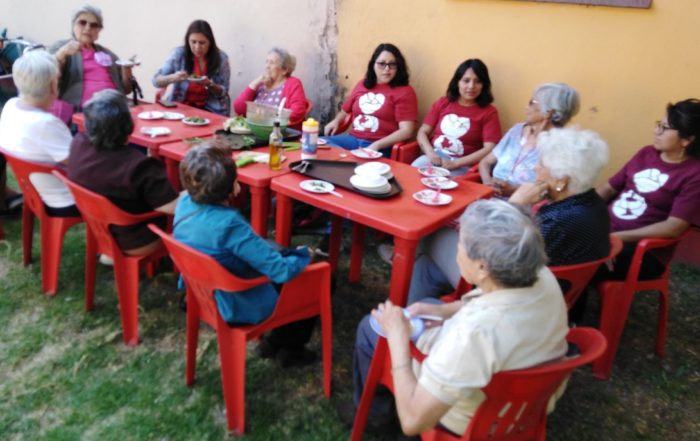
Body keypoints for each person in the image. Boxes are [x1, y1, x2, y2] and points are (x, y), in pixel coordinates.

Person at [347, 199, 568, 437]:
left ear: (482, 267)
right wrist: (446, 311)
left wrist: (397, 338)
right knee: (430, 304)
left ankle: (377, 419)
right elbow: (494, 302)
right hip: (527, 398)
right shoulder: (540, 275)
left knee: (370, 330)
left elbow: (412, 422)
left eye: (460, 243)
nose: (456, 250)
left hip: (474, 416)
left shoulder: (473, 334)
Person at [407, 127, 611, 305]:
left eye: (541, 164)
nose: (535, 168)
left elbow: (493, 248)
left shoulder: (557, 221)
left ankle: (418, 312)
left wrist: (516, 203)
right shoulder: (592, 204)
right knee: (425, 267)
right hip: (552, 293)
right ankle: (412, 311)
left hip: (509, 294)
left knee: (434, 233)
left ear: (561, 181)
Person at [174, 143, 320, 367]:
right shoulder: (229, 225)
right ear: (231, 188)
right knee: (318, 278)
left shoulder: (184, 203)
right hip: (234, 301)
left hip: (200, 289)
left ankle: (274, 343)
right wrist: (304, 256)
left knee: (276, 250)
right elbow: (281, 271)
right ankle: (289, 348)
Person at [596, 98, 700, 279]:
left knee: (579, 255)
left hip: (643, 251)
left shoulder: (694, 175)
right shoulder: (646, 153)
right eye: (658, 124)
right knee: (561, 236)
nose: (656, 131)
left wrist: (615, 238)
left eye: (665, 128)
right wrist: (581, 212)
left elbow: (672, 228)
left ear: (687, 139)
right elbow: (609, 188)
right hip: (605, 231)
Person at [67, 90, 178, 256]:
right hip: (136, 239)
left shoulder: (79, 143)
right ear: (127, 124)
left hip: (100, 227)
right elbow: (173, 207)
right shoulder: (137, 165)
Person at [0, 49, 78, 217]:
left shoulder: (11, 106)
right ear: (52, 86)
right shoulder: (46, 124)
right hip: (64, 199)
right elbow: (79, 163)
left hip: (33, 191)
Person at [479, 83, 580, 197]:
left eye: (532, 102)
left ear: (548, 112)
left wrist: (513, 191)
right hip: (490, 196)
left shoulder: (560, 146)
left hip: (521, 205)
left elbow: (553, 190)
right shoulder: (517, 130)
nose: (526, 107)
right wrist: (488, 183)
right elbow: (485, 162)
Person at [323, 43, 417, 156]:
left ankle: (347, 157)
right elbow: (345, 110)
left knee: (344, 158)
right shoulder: (362, 84)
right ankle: (348, 157)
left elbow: (407, 131)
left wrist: (377, 145)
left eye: (392, 64)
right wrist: (336, 121)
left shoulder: (404, 91)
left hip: (379, 146)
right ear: (373, 64)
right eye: (382, 64)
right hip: (352, 140)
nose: (387, 69)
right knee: (318, 144)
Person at [410, 59, 501, 176]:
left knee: (442, 182)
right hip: (434, 157)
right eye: (466, 81)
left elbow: (490, 148)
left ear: (484, 85)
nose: (471, 86)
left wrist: (456, 163)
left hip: (463, 164)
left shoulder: (489, 112)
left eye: (478, 81)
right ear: (457, 82)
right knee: (412, 173)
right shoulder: (443, 103)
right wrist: (430, 153)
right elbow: (423, 131)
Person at [49, 5, 133, 113]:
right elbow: (45, 78)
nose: (88, 28)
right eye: (82, 22)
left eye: (94, 25)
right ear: (73, 25)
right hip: (81, 111)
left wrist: (126, 70)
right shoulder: (61, 47)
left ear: (99, 30)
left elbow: (127, 90)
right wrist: (61, 54)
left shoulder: (107, 53)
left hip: (115, 109)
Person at [153, 20, 231, 116]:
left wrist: (209, 84)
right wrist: (174, 77)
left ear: (210, 42)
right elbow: (156, 81)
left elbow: (224, 92)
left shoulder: (221, 58)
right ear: (187, 40)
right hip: (180, 107)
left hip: (210, 110)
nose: (197, 47)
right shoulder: (178, 54)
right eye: (193, 42)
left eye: (202, 43)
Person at [233, 47, 307, 126]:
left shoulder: (293, 84)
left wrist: (267, 119)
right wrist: (256, 82)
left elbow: (297, 112)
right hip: (254, 130)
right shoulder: (261, 84)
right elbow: (239, 108)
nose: (267, 66)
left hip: (278, 131)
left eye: (271, 63)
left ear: (284, 70)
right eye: (266, 62)